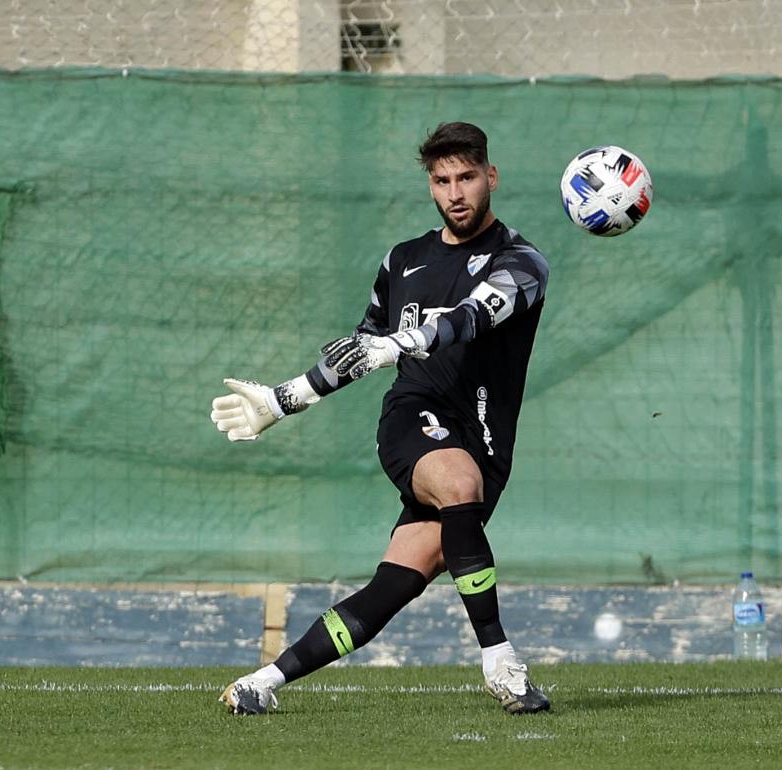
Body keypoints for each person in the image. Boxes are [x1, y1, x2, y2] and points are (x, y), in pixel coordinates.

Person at [208, 121, 551, 716]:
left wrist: (397, 343)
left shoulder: (522, 263)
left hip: (485, 439)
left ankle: (262, 682)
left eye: (467, 176)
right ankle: (500, 661)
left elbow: (469, 318)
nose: (455, 192)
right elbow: (363, 351)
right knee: (458, 483)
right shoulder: (403, 261)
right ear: (430, 186)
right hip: (413, 419)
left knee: (397, 582)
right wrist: (282, 400)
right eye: (441, 180)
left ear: (490, 177)